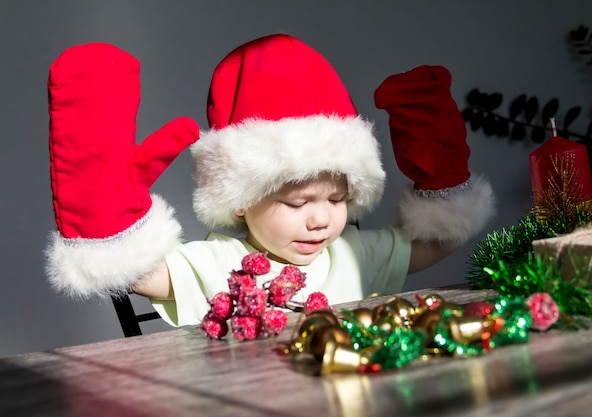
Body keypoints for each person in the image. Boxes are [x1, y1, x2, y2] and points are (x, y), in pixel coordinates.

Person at [45, 34, 495, 327]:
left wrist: (444, 174)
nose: (321, 219)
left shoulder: (355, 255)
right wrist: (102, 211)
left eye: (337, 199)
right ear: (241, 199)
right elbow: (140, 276)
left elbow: (437, 243)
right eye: (298, 204)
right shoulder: (217, 263)